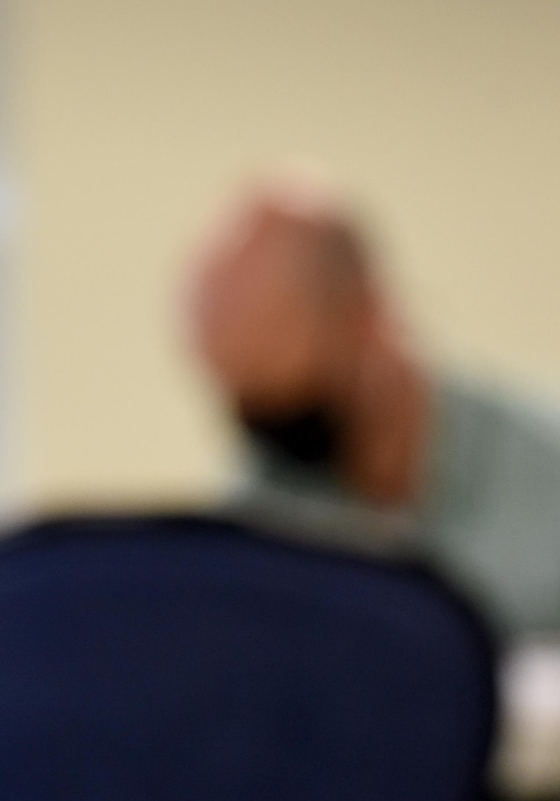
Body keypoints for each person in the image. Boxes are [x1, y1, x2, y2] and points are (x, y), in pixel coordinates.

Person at [187, 179, 560, 635]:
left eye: (293, 399)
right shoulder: (261, 522)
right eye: (247, 402)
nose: (267, 436)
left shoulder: (544, 473)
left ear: (368, 315)